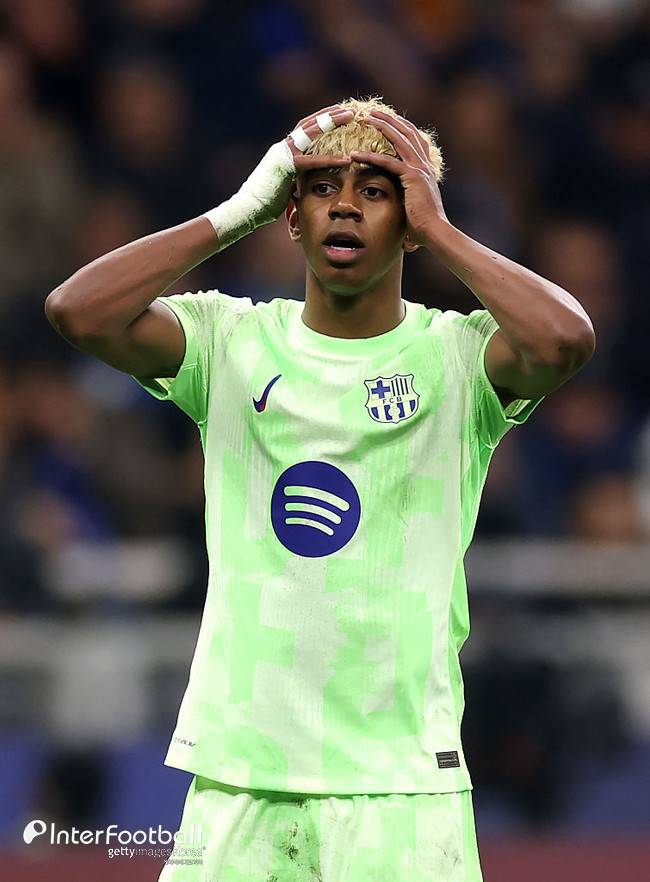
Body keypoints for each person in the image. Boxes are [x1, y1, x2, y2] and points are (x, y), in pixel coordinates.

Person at [45, 97, 595, 881]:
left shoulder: (457, 356)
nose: (344, 205)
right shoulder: (229, 340)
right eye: (322, 187)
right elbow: (77, 312)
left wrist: (442, 230)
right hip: (240, 776)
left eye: (375, 190)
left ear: (408, 219)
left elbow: (566, 339)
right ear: (292, 215)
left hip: (402, 786)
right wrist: (236, 214)